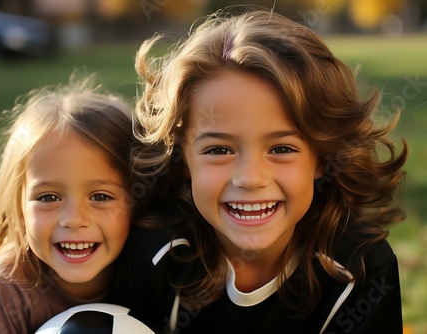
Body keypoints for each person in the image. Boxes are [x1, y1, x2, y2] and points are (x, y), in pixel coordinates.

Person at [112, 8, 408, 334]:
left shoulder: (361, 267)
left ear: (322, 158)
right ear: (184, 159)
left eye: (281, 149)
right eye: (219, 150)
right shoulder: (153, 254)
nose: (250, 178)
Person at [0, 73, 139, 333]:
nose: (74, 219)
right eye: (48, 197)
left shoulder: (156, 268)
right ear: (18, 208)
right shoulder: (6, 287)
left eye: (100, 197)